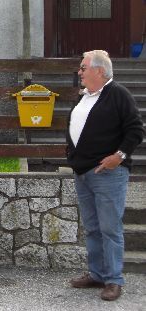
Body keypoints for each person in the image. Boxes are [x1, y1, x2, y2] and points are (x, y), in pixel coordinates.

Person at [67, 50, 144, 301]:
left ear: (99, 71)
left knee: (110, 229)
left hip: (108, 173)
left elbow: (135, 130)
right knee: (92, 228)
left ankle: (113, 279)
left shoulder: (118, 94)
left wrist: (118, 156)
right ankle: (98, 274)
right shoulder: (86, 96)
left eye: (83, 67)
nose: (79, 72)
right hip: (83, 172)